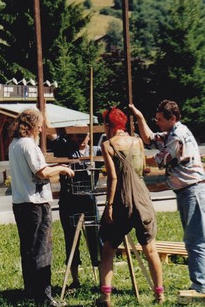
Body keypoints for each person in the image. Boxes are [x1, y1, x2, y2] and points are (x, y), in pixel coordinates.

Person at [129, 100, 205, 294]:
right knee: (194, 238)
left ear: (172, 118)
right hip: (186, 191)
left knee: (195, 240)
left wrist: (133, 159)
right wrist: (139, 117)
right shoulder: (171, 132)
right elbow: (149, 139)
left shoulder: (177, 136)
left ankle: (200, 285)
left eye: (161, 119)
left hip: (192, 190)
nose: (158, 123)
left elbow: (161, 159)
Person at [96, 107, 164, 306]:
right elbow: (143, 167)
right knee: (150, 248)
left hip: (121, 200)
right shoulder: (138, 141)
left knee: (108, 248)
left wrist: (108, 205)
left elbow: (113, 178)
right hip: (142, 198)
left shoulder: (108, 145)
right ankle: (159, 294)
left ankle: (105, 297)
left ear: (109, 125)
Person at [8, 108, 74, 306]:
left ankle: (30, 291)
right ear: (32, 126)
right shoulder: (28, 144)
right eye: (39, 125)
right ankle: (44, 297)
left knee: (28, 249)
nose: (40, 129)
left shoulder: (15, 144)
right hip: (35, 204)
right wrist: (62, 168)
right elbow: (42, 172)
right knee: (42, 250)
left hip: (21, 203)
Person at [47, 126, 103, 290]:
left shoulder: (97, 150)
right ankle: (75, 280)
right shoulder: (65, 148)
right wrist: (43, 110)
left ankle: (102, 280)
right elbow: (52, 136)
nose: (79, 139)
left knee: (95, 239)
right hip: (69, 201)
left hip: (89, 201)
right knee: (71, 240)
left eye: (83, 135)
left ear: (89, 136)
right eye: (75, 135)